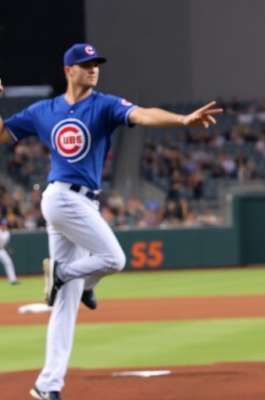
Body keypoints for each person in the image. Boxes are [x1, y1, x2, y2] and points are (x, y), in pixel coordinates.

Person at [0, 43, 222, 400]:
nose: (93, 69)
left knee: (65, 304)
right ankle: (64, 274)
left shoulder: (104, 105)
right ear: (68, 70)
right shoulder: (45, 110)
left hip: (84, 201)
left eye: (96, 64)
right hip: (61, 196)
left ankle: (47, 384)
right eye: (86, 64)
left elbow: (142, 114)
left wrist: (181, 120)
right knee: (114, 259)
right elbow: (3, 134)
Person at [0, 219, 19, 285]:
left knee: (8, 263)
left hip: (1, 250)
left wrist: (8, 249)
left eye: (5, 224)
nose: (4, 226)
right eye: (3, 224)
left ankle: (13, 280)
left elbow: (4, 243)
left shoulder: (7, 233)